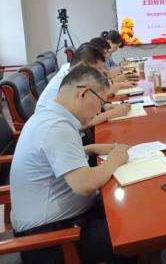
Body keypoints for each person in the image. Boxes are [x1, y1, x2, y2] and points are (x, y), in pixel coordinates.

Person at [10, 65, 135, 264]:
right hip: (51, 240)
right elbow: (84, 185)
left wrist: (90, 149)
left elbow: (51, 157)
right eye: (100, 102)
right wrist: (114, 160)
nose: (99, 110)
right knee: (132, 231)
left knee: (127, 208)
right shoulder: (56, 127)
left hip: (61, 223)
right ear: (83, 94)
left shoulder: (49, 115)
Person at [36, 44, 131, 128]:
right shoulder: (64, 85)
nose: (101, 74)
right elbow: (79, 124)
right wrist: (114, 113)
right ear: (82, 65)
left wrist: (104, 106)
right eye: (98, 69)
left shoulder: (70, 72)